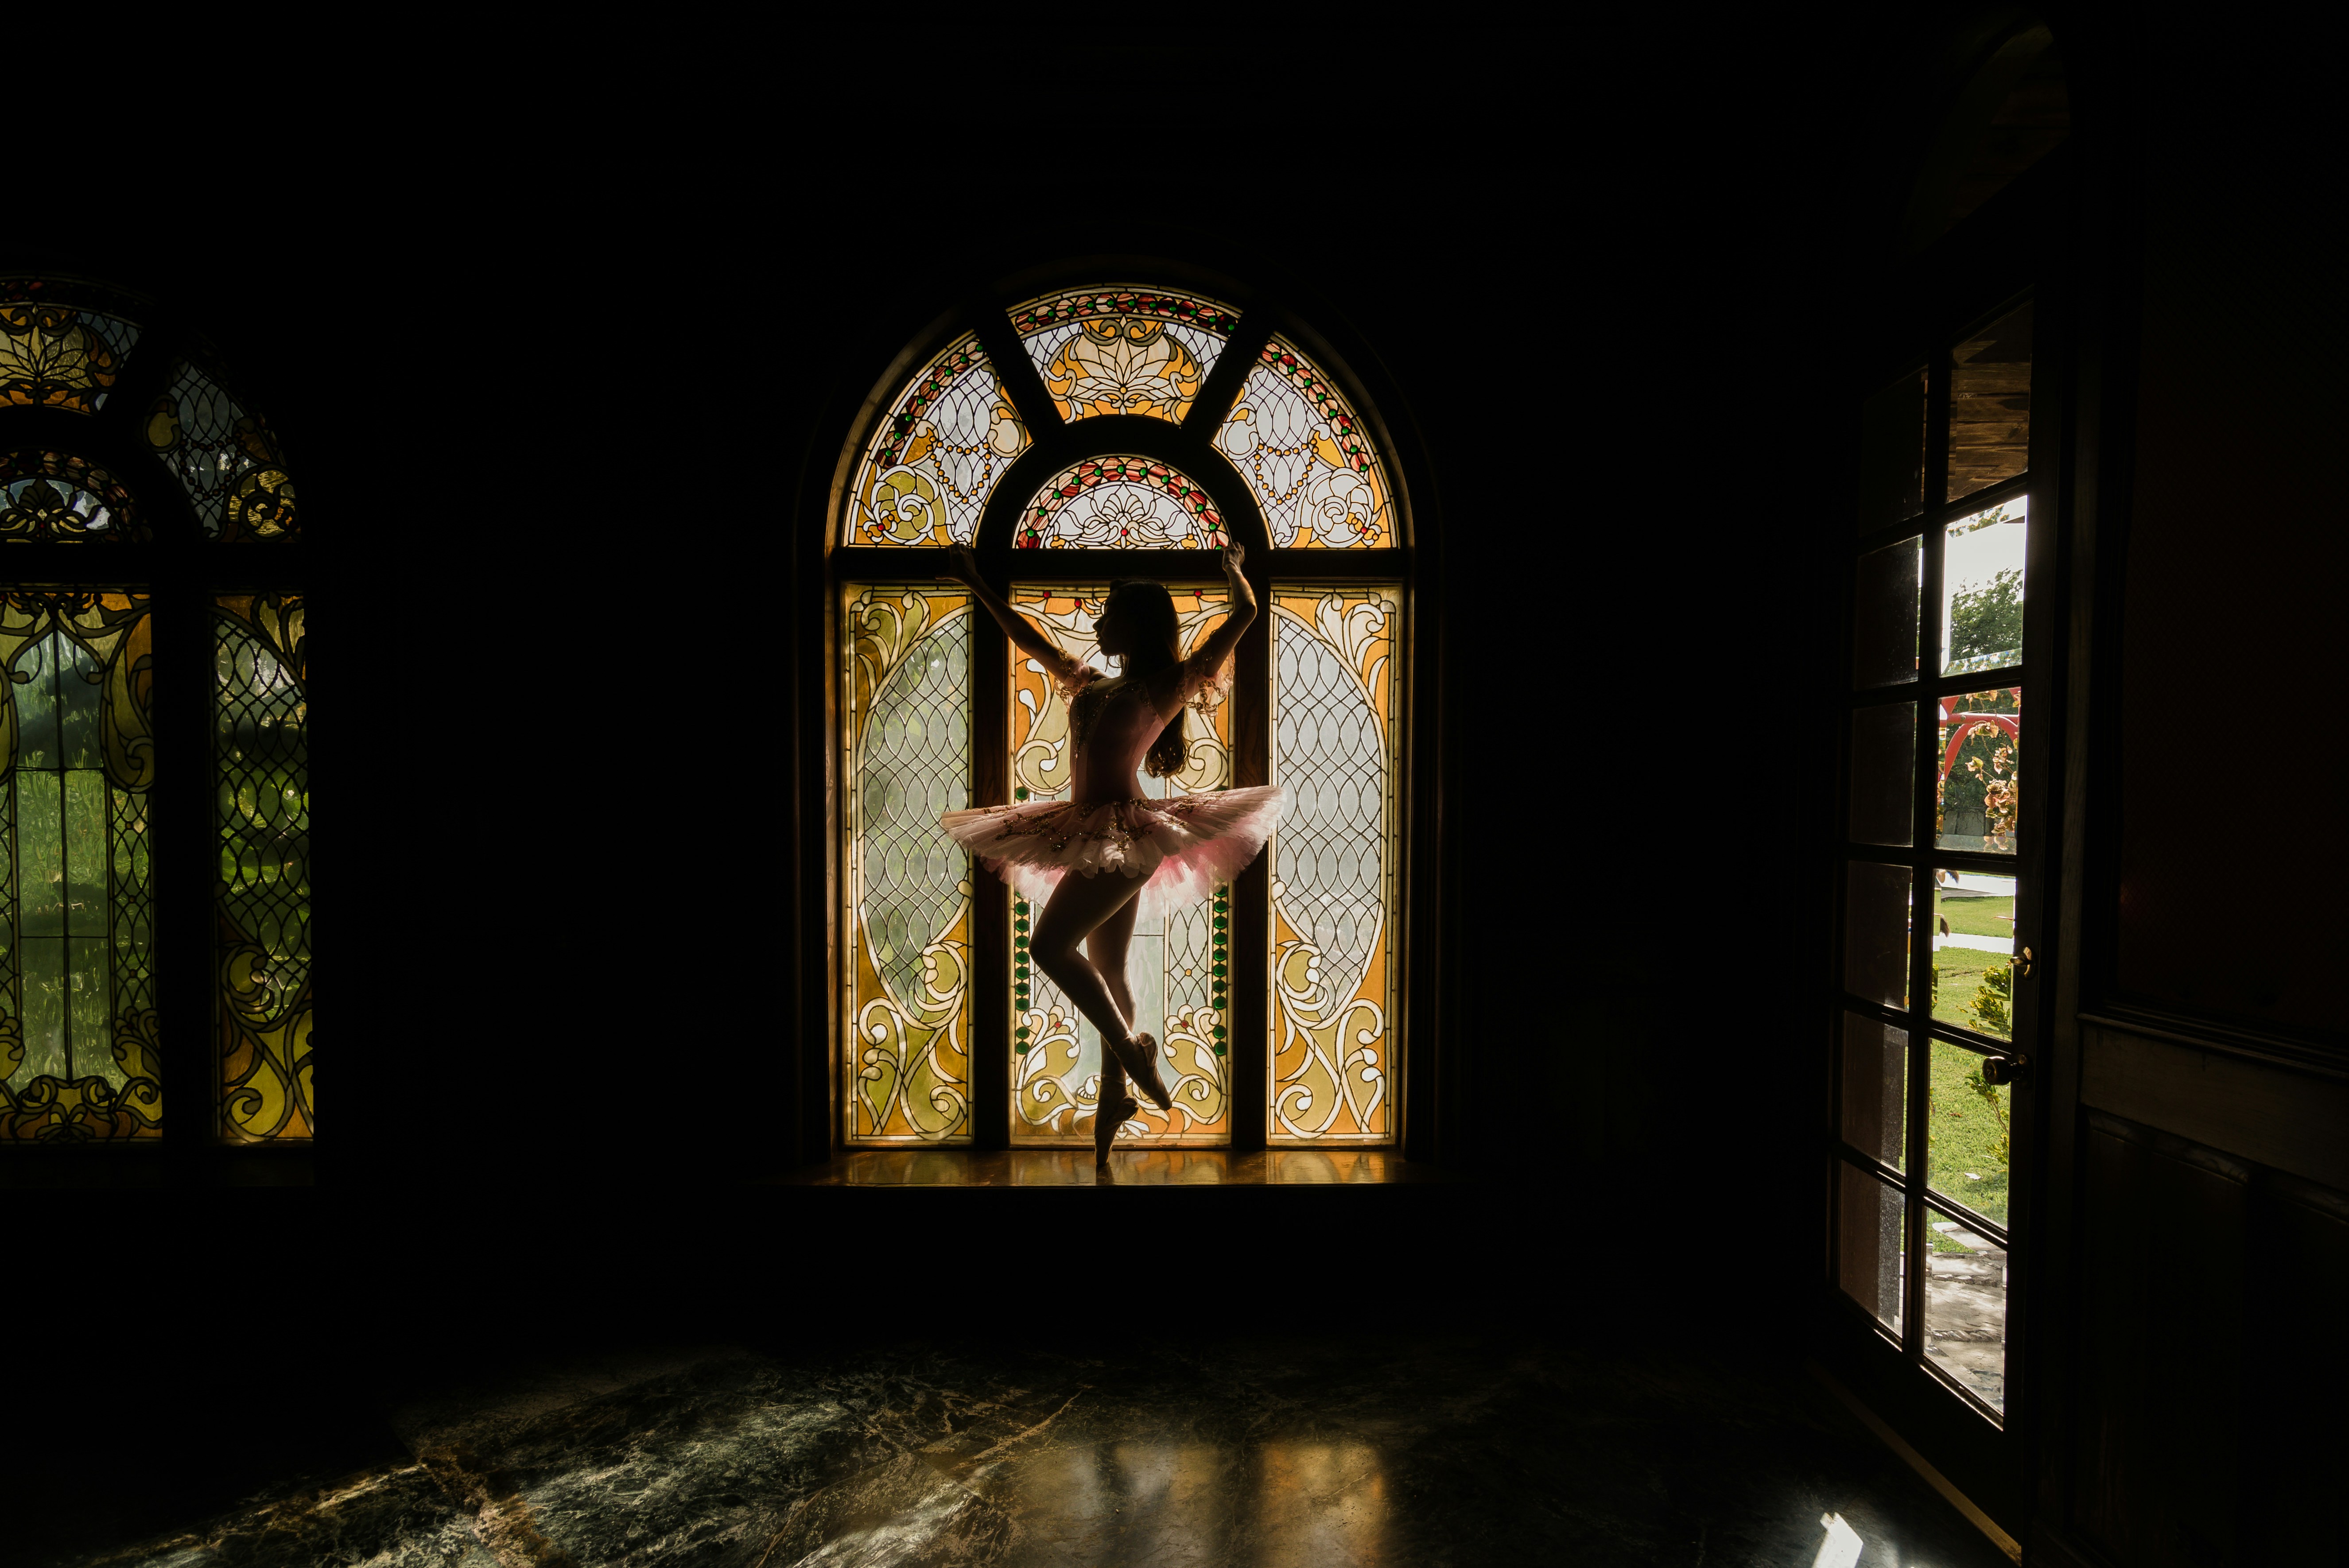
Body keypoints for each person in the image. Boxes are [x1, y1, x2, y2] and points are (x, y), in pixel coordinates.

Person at [938, 543, 1286, 1166]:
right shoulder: (1092, 683)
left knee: (1047, 948)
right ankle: (1114, 1098)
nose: (1098, 623)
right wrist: (977, 584)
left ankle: (1131, 1053)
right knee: (1109, 971)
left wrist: (1234, 576)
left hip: (1127, 837)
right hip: (1085, 833)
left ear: (1138, 625)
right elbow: (1026, 636)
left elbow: (1243, 618)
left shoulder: (1165, 686)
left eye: (1109, 614)